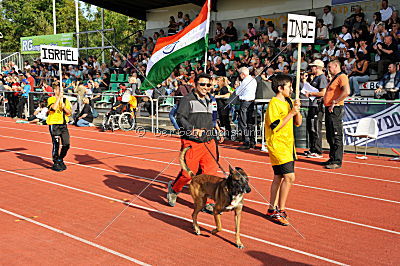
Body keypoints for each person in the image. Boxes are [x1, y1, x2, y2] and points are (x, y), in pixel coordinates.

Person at [167, 73, 220, 212]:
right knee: (188, 174)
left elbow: (213, 119)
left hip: (209, 141)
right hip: (192, 142)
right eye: (202, 84)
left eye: (208, 85)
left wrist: (217, 129)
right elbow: (180, 118)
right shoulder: (187, 100)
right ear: (195, 85)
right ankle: (174, 189)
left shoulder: (212, 100)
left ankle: (207, 201)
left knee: (210, 174)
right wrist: (192, 130)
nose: (205, 87)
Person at [265, 75, 302, 226]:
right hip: (277, 145)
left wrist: (296, 110)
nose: (291, 89)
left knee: (279, 177)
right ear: (280, 88)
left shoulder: (289, 102)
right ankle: (280, 210)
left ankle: (271, 208)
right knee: (290, 177)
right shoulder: (274, 104)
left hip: (288, 145)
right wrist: (291, 113)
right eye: (289, 86)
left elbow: (298, 123)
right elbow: (276, 125)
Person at [323, 60, 350, 169]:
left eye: (330, 67)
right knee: (330, 135)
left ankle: (337, 160)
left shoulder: (342, 76)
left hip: (335, 108)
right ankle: (332, 157)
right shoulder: (335, 78)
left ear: (336, 66)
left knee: (336, 134)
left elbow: (346, 91)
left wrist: (336, 101)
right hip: (329, 107)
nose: (328, 69)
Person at [303, 60, 328, 159]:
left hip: (317, 106)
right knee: (311, 127)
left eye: (313, 67)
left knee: (315, 128)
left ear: (317, 67)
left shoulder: (322, 78)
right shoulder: (316, 78)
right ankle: (313, 149)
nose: (311, 68)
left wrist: (311, 93)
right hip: (312, 105)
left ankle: (318, 150)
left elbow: (323, 93)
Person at [46, 83, 72, 171]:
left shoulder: (65, 100)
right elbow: (53, 108)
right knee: (56, 144)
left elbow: (69, 113)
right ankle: (55, 161)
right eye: (59, 90)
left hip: (63, 124)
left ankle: (61, 158)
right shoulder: (51, 99)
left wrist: (64, 107)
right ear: (55, 91)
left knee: (66, 144)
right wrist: (58, 99)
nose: (61, 92)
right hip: (54, 124)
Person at [236, 67, 257, 149]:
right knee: (249, 122)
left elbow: (238, 92)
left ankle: (246, 141)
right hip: (251, 102)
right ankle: (252, 141)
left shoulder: (245, 81)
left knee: (243, 122)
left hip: (245, 102)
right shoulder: (253, 80)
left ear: (242, 74)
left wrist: (238, 86)